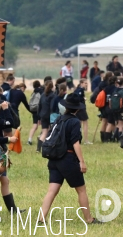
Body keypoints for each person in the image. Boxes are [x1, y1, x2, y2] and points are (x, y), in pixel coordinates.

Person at [40, 95, 102, 225]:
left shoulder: (59, 119)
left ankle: (41, 219)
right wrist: (82, 162)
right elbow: (75, 143)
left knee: (52, 191)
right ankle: (89, 219)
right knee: (81, 190)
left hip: (54, 159)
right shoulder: (74, 121)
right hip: (67, 158)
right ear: (77, 109)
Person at [73, 79, 90, 144]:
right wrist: (83, 99)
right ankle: (86, 140)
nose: (86, 84)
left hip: (76, 108)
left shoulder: (76, 89)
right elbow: (78, 98)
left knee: (78, 124)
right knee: (85, 123)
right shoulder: (80, 90)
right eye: (85, 83)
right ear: (81, 83)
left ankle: (78, 139)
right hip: (81, 108)